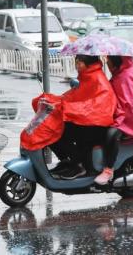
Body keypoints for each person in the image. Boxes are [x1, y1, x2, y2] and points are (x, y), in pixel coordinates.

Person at [49, 54, 119, 182]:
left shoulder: (98, 79)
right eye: (76, 62)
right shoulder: (86, 77)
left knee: (61, 131)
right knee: (52, 128)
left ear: (89, 64)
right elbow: (76, 96)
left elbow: (96, 105)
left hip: (97, 125)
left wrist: (69, 108)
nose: (77, 65)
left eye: (79, 62)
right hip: (86, 120)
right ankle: (69, 162)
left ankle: (79, 165)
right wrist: (56, 102)